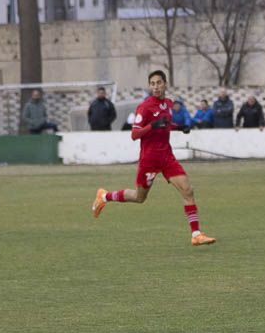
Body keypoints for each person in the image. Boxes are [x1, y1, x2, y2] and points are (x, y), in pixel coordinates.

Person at [91, 70, 215, 246]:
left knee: (188, 190)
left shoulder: (168, 104)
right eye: (152, 83)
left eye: (159, 83)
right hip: (149, 160)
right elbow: (134, 134)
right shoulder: (145, 107)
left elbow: (164, 125)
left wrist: (179, 128)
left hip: (167, 157)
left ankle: (196, 234)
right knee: (139, 197)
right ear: (150, 86)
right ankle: (104, 196)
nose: (155, 87)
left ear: (165, 84)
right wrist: (152, 125)